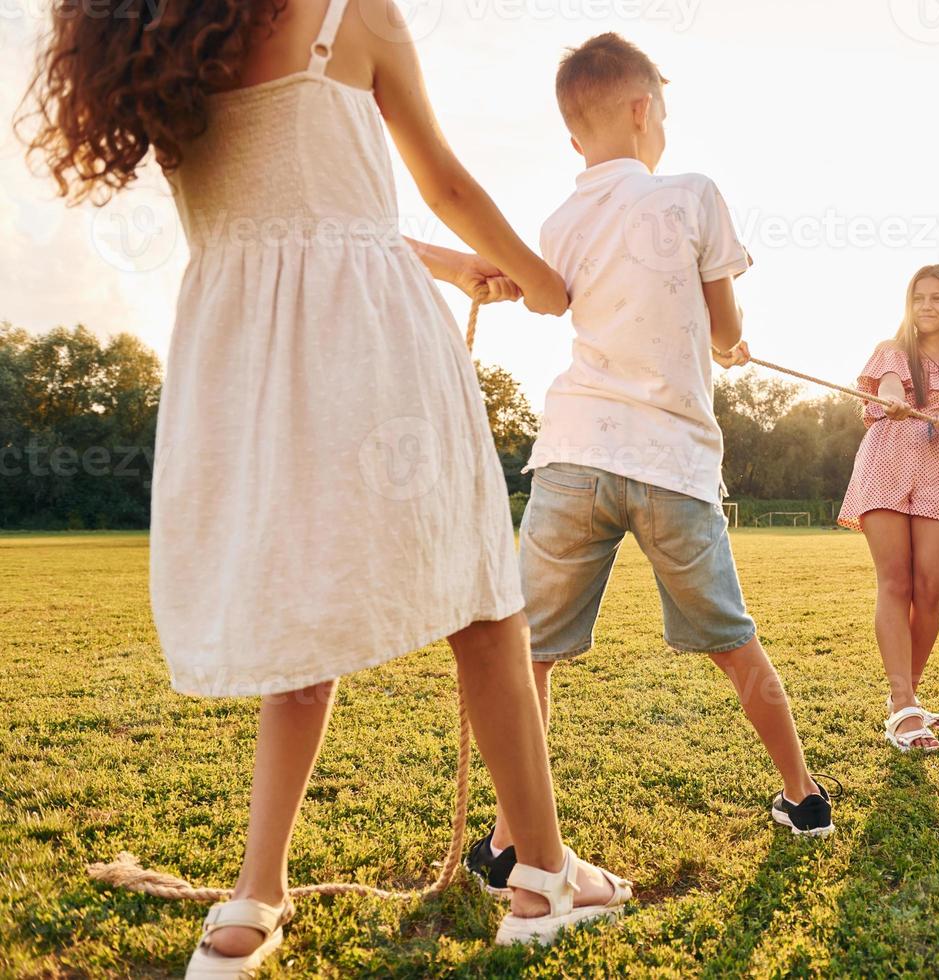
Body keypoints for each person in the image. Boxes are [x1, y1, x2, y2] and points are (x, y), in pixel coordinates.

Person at [21, 0, 632, 968]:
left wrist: (453, 268)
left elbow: (303, 219)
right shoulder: (353, 14)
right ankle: (543, 873)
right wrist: (543, 282)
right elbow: (442, 182)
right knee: (483, 597)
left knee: (300, 612)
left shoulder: (167, 46)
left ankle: (251, 898)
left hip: (245, 358)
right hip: (375, 349)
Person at [463, 34, 834, 898]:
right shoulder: (693, 194)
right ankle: (804, 799)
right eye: (660, 109)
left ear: (571, 137)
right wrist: (732, 345)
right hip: (672, 462)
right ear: (641, 110)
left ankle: (507, 841)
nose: (662, 124)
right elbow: (721, 327)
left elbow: (551, 296)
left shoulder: (559, 221)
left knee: (530, 661)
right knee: (735, 645)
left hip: (575, 457)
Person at [837, 266, 939, 752]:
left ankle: (903, 698)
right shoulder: (893, 351)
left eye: (937, 299)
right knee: (897, 582)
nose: (927, 306)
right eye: (919, 298)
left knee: (931, 588)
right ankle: (905, 704)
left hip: (935, 467)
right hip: (886, 458)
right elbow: (887, 387)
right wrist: (892, 402)